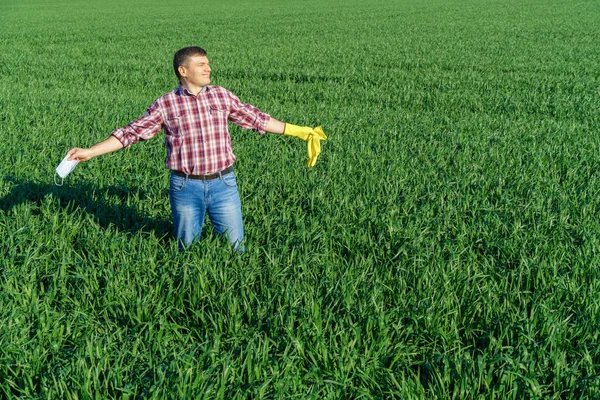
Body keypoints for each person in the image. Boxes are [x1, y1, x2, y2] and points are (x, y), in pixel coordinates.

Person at [68, 46, 326, 253]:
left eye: (208, 63)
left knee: (236, 248)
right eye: (201, 64)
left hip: (224, 184)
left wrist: (299, 131)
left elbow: (256, 118)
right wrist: (90, 151)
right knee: (186, 248)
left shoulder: (221, 95)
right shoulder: (166, 104)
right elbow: (132, 132)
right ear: (183, 70)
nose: (208, 68)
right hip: (185, 186)